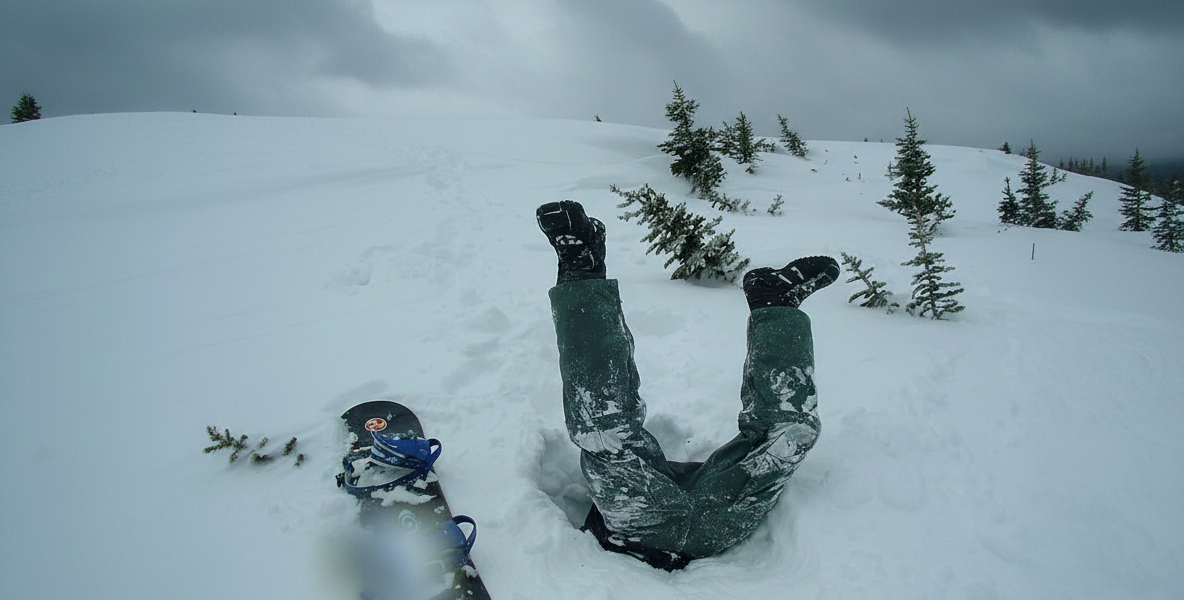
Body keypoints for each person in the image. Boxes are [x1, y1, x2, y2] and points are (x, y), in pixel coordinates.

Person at [536, 200, 840, 570]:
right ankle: (775, 305)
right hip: (716, 522)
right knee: (794, 432)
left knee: (602, 429)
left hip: (636, 521)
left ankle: (581, 270)